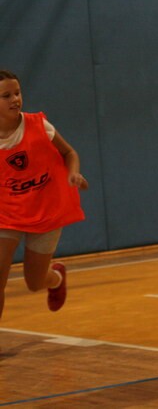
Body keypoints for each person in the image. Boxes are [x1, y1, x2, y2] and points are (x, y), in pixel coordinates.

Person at [0, 70, 87, 324]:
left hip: (45, 207)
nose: (15, 99)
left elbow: (69, 152)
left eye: (17, 93)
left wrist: (73, 173)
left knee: (34, 282)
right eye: (6, 96)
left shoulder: (38, 125)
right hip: (8, 211)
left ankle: (56, 278)